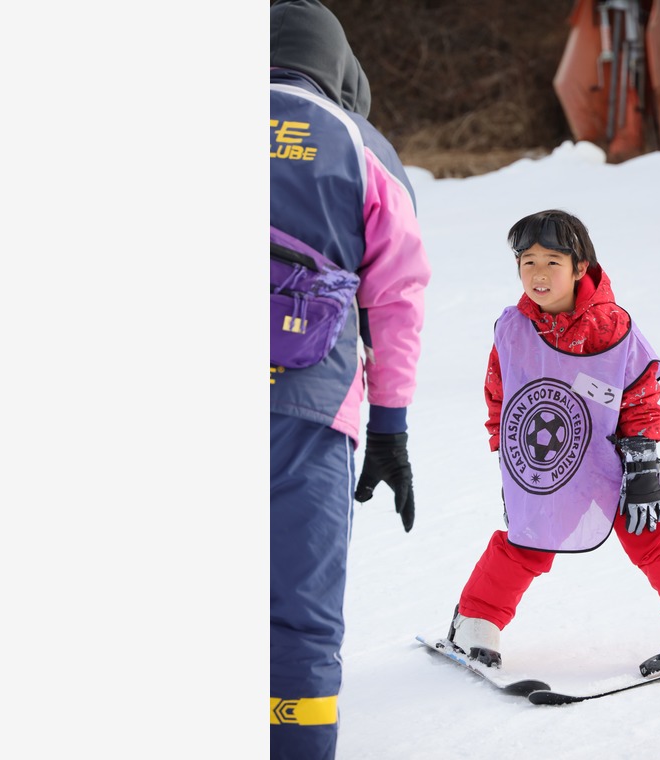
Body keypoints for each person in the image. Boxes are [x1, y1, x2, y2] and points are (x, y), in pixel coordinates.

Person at [446, 209, 660, 672]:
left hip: (609, 460)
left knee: (647, 532)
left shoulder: (609, 327)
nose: (539, 275)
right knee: (528, 536)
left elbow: (640, 394)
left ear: (580, 266)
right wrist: (510, 461)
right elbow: (500, 395)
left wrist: (643, 467)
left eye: (552, 262)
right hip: (550, 463)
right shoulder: (513, 328)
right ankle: (475, 619)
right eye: (527, 262)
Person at [270, 1, 431, 757]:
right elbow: (396, 299)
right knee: (299, 615)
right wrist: (390, 430)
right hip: (308, 409)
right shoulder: (358, 145)